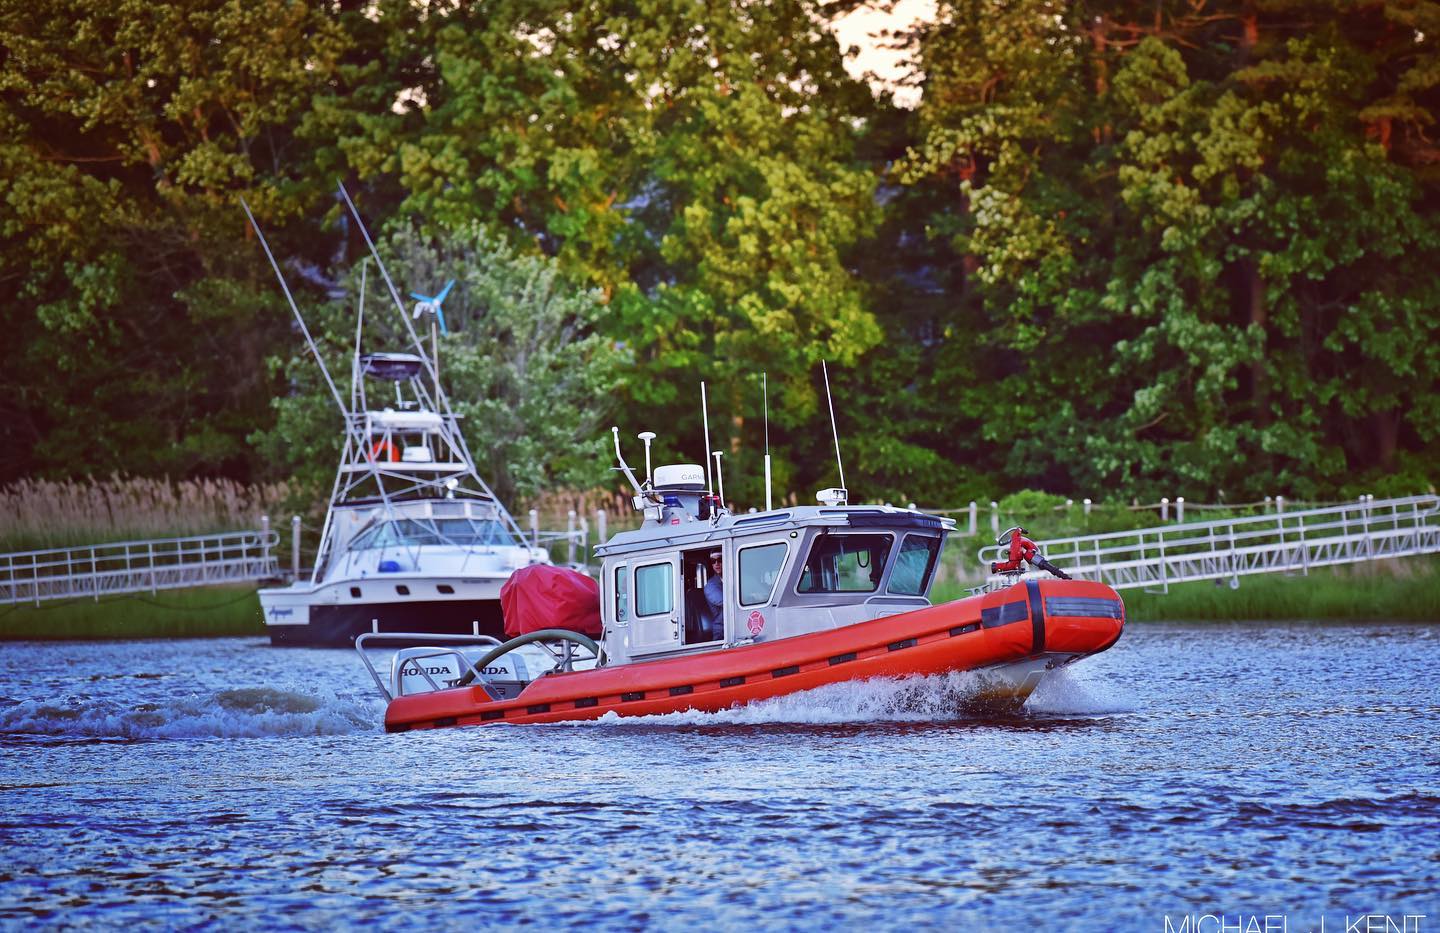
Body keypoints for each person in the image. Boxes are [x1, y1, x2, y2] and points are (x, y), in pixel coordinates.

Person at [991, 526, 1071, 579]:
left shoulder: (1027, 548)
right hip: (1028, 552)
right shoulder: (1018, 542)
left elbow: (1031, 555)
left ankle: (1062, 575)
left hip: (1031, 551)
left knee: (1032, 558)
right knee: (1028, 558)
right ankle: (1062, 575)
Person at [702, 550, 725, 639]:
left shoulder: (735, 577)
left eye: (720, 559)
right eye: (713, 561)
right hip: (722, 632)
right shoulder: (710, 586)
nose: (716, 564)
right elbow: (726, 601)